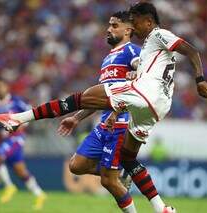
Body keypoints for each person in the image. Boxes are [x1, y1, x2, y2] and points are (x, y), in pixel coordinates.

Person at [0, 2, 207, 213]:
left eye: (133, 22)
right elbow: (137, 73)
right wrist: (78, 118)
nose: (133, 26)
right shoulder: (129, 54)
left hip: (141, 97)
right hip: (155, 108)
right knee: (125, 158)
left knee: (77, 98)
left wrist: (200, 79)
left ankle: (18, 118)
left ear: (148, 21)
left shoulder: (154, 37)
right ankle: (161, 208)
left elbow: (190, 50)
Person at [57, 11, 140, 212]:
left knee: (108, 182)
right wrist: (76, 118)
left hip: (121, 122)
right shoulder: (107, 59)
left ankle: (116, 176)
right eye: (109, 25)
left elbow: (142, 76)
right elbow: (101, 98)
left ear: (128, 30)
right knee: (76, 166)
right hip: (104, 122)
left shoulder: (133, 51)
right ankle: (120, 172)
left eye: (114, 25)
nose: (109, 29)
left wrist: (136, 73)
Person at [0, 78, 47, 210]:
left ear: (7, 87)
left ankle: (9, 186)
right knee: (21, 171)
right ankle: (40, 194)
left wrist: (22, 125)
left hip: (16, 138)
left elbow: (31, 114)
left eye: (1, 86)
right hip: (2, 140)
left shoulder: (16, 101)